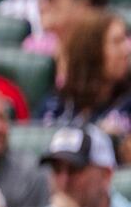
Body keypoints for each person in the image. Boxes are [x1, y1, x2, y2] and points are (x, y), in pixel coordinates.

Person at [42, 11, 131, 147]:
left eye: (126, 40)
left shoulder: (127, 100)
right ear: (92, 52)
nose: (127, 49)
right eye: (117, 42)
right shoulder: (59, 101)